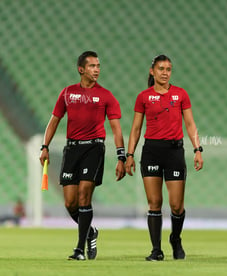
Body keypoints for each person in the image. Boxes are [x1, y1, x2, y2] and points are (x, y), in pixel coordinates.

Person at [39, 51, 126, 260]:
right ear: (81, 69)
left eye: (98, 66)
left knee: (84, 195)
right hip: (72, 149)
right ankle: (91, 232)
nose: (97, 69)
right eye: (92, 66)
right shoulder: (67, 93)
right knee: (70, 202)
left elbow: (116, 129)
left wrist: (121, 156)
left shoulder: (106, 96)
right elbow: (54, 121)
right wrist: (44, 146)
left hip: (94, 149)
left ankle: (79, 249)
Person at [125, 54, 203, 261]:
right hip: (151, 151)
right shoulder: (143, 97)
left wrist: (198, 149)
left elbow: (190, 124)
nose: (165, 73)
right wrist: (129, 154)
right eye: (161, 69)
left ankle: (175, 239)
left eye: (168, 69)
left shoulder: (180, 95)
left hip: (174, 152)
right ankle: (156, 250)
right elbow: (135, 128)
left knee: (176, 205)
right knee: (154, 202)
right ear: (152, 71)